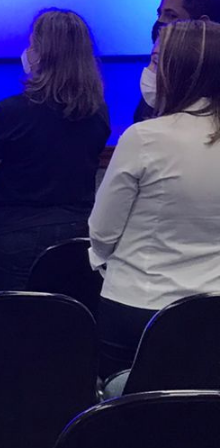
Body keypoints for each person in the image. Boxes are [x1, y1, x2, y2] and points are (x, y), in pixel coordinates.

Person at [90, 19, 220, 378]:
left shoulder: (144, 138)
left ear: (178, 70)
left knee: (130, 406)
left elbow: (101, 232)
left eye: (155, 60)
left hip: (139, 305)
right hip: (213, 307)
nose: (149, 70)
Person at [0, 9, 110, 289]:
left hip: (12, 235)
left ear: (42, 54)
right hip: (79, 234)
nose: (28, 52)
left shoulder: (11, 111)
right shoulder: (99, 112)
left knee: (12, 314)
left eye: (32, 45)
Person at [135, 0, 220, 123]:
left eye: (172, 16)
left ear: (202, 24)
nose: (161, 23)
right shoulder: (160, 76)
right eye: (159, 14)